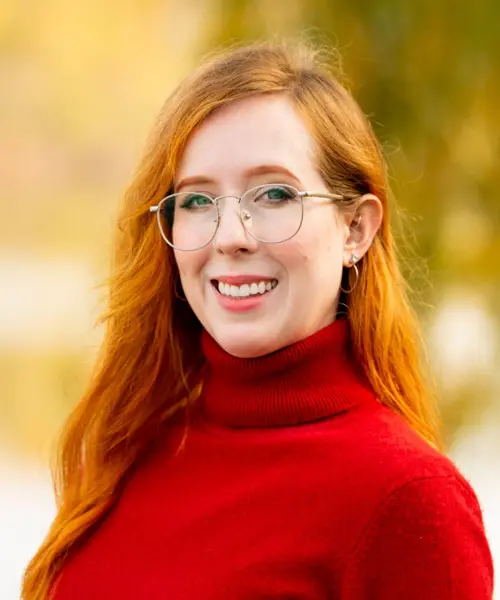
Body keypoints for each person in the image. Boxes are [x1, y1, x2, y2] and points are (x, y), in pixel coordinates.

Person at [22, 40, 494, 599]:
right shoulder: (131, 449)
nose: (231, 237)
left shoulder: (410, 499)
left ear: (355, 230)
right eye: (197, 201)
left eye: (273, 194)